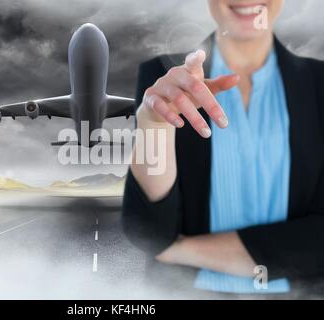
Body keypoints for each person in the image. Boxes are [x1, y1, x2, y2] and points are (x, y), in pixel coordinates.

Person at [122, 0, 324, 294]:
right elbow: (150, 233)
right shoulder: (163, 78)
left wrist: (179, 249)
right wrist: (154, 126)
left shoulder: (319, 84)